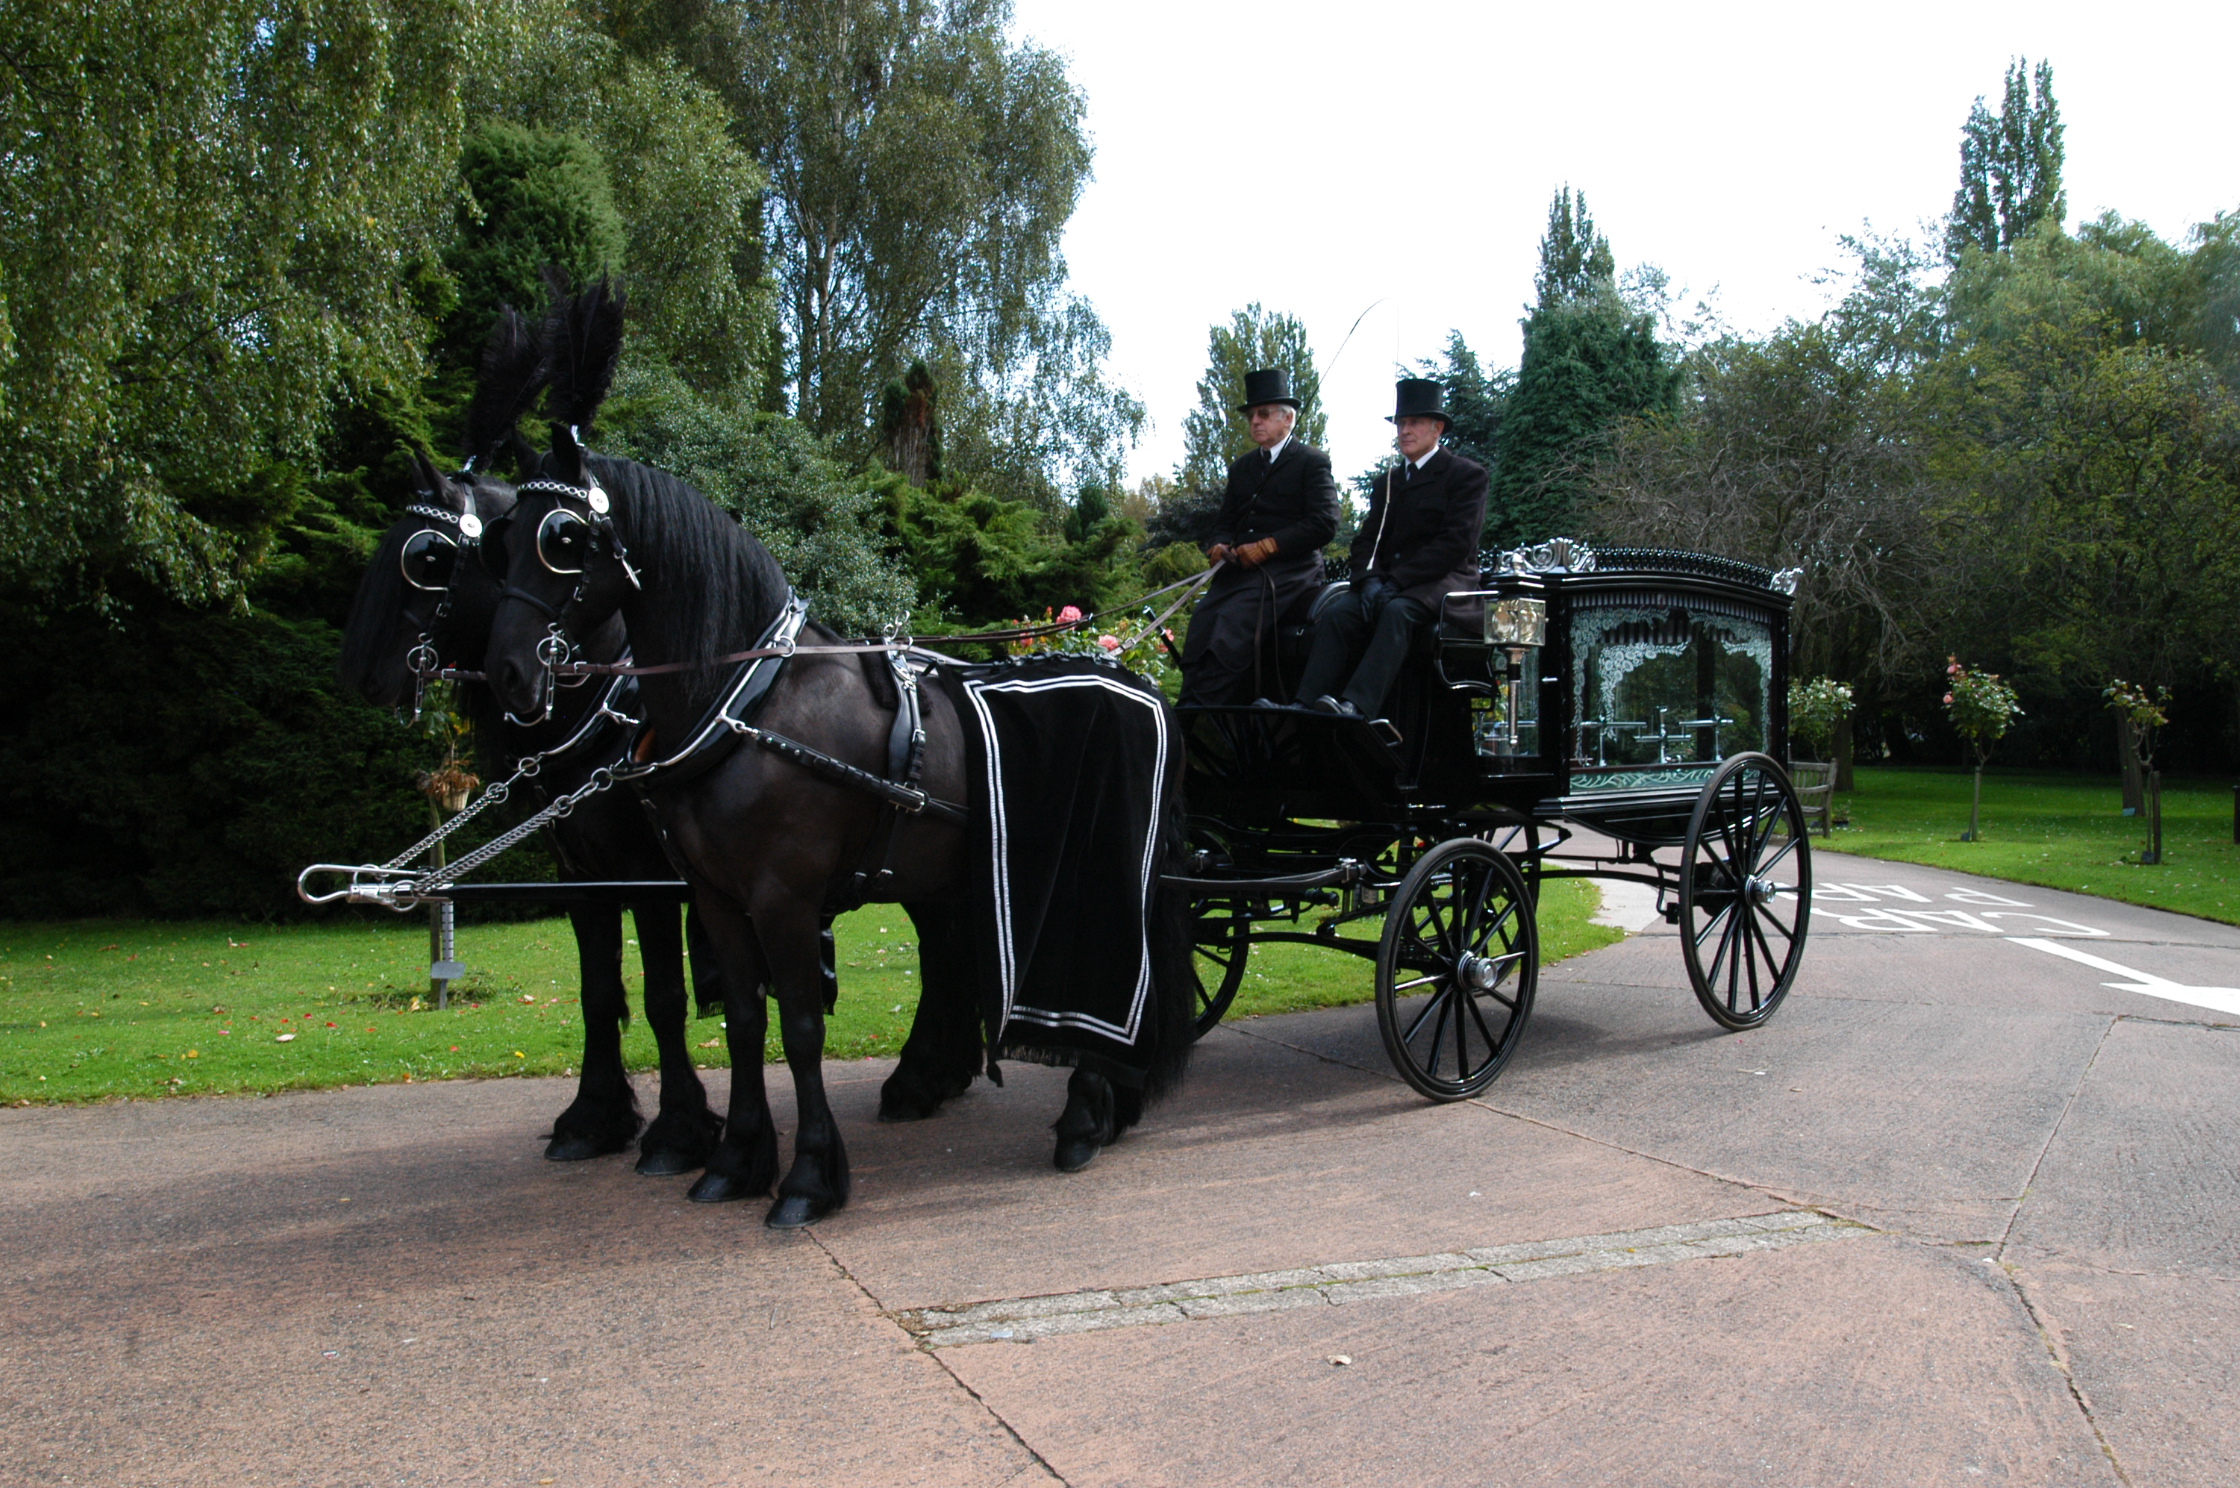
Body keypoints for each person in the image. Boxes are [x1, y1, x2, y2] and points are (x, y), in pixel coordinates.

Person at [1293, 377, 1487, 729]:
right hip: (1388, 581)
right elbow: (1367, 540)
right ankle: (1305, 703)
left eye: (1413, 423)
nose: (1404, 431)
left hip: (1442, 581)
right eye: (1400, 423)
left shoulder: (1465, 475)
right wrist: (1367, 581)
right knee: (1340, 614)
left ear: (1437, 428)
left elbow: (1455, 543)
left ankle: (1358, 706)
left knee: (1398, 613)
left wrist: (1397, 581)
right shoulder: (1389, 482)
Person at [1177, 367, 1340, 705]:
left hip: (1292, 570)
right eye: (1252, 415)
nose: (1255, 422)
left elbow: (1325, 523)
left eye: (1264, 414)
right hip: (1241, 569)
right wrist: (1219, 547)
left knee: (1230, 622)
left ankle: (1210, 709)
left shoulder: (1311, 462)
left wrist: (1268, 547)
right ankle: (1189, 703)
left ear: (1288, 419)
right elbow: (1225, 522)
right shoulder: (1242, 468)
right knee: (1204, 617)